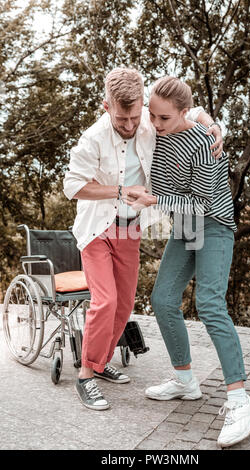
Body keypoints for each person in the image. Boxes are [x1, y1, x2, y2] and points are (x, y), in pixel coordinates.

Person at [63, 67, 223, 411]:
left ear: (142, 106)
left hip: (130, 228)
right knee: (104, 301)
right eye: (122, 119)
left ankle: (103, 360)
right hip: (96, 229)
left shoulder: (149, 121)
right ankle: (86, 376)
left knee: (123, 305)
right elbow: (72, 186)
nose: (130, 125)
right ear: (106, 106)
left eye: (136, 116)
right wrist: (119, 190)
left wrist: (212, 125)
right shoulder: (93, 138)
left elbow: (189, 110)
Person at [125, 76, 250, 448]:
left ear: (184, 113)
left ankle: (240, 401)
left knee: (210, 305)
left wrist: (154, 202)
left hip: (213, 224)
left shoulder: (204, 144)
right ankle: (185, 381)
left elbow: (201, 204)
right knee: (164, 300)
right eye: (152, 115)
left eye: (164, 118)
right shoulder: (155, 130)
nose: (155, 124)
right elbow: (131, 114)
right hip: (184, 227)